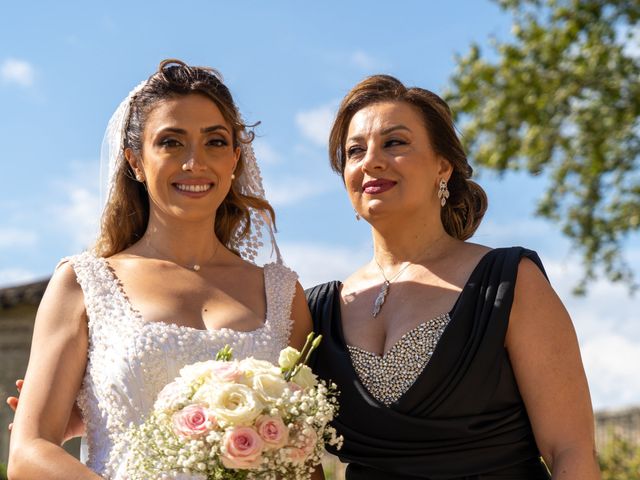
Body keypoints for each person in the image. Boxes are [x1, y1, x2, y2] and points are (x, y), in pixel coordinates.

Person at [7, 59, 314, 479]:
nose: (195, 163)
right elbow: (28, 454)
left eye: (215, 142)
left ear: (235, 160)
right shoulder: (83, 284)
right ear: (135, 161)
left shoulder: (282, 293)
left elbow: (303, 459)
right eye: (171, 142)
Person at [306, 75, 600, 479]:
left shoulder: (510, 282)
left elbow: (571, 451)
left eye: (395, 143)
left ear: (442, 166)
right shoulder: (316, 310)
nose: (371, 160)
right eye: (355, 151)